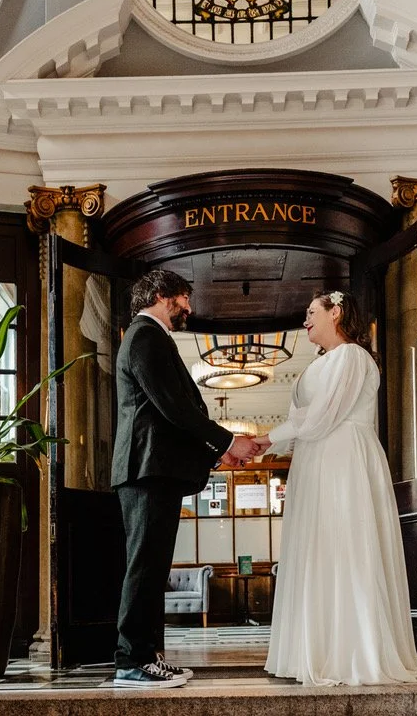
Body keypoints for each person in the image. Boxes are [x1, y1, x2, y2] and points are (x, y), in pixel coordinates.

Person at [254, 290, 417, 686]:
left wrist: (267, 439)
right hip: (314, 459)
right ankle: (318, 648)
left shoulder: (353, 357)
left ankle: (353, 651)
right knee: (318, 548)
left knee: (346, 545)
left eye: (311, 313)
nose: (305, 321)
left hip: (343, 458)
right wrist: (266, 444)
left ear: (335, 312)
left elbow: (323, 415)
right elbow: (303, 417)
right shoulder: (316, 365)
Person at [112, 269, 263, 689]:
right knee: (145, 567)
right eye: (184, 298)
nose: (189, 308)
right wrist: (227, 442)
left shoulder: (149, 337)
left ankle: (150, 657)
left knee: (153, 567)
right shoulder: (145, 336)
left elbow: (172, 415)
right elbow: (173, 407)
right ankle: (132, 661)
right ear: (162, 295)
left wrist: (216, 455)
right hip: (145, 470)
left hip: (153, 469)